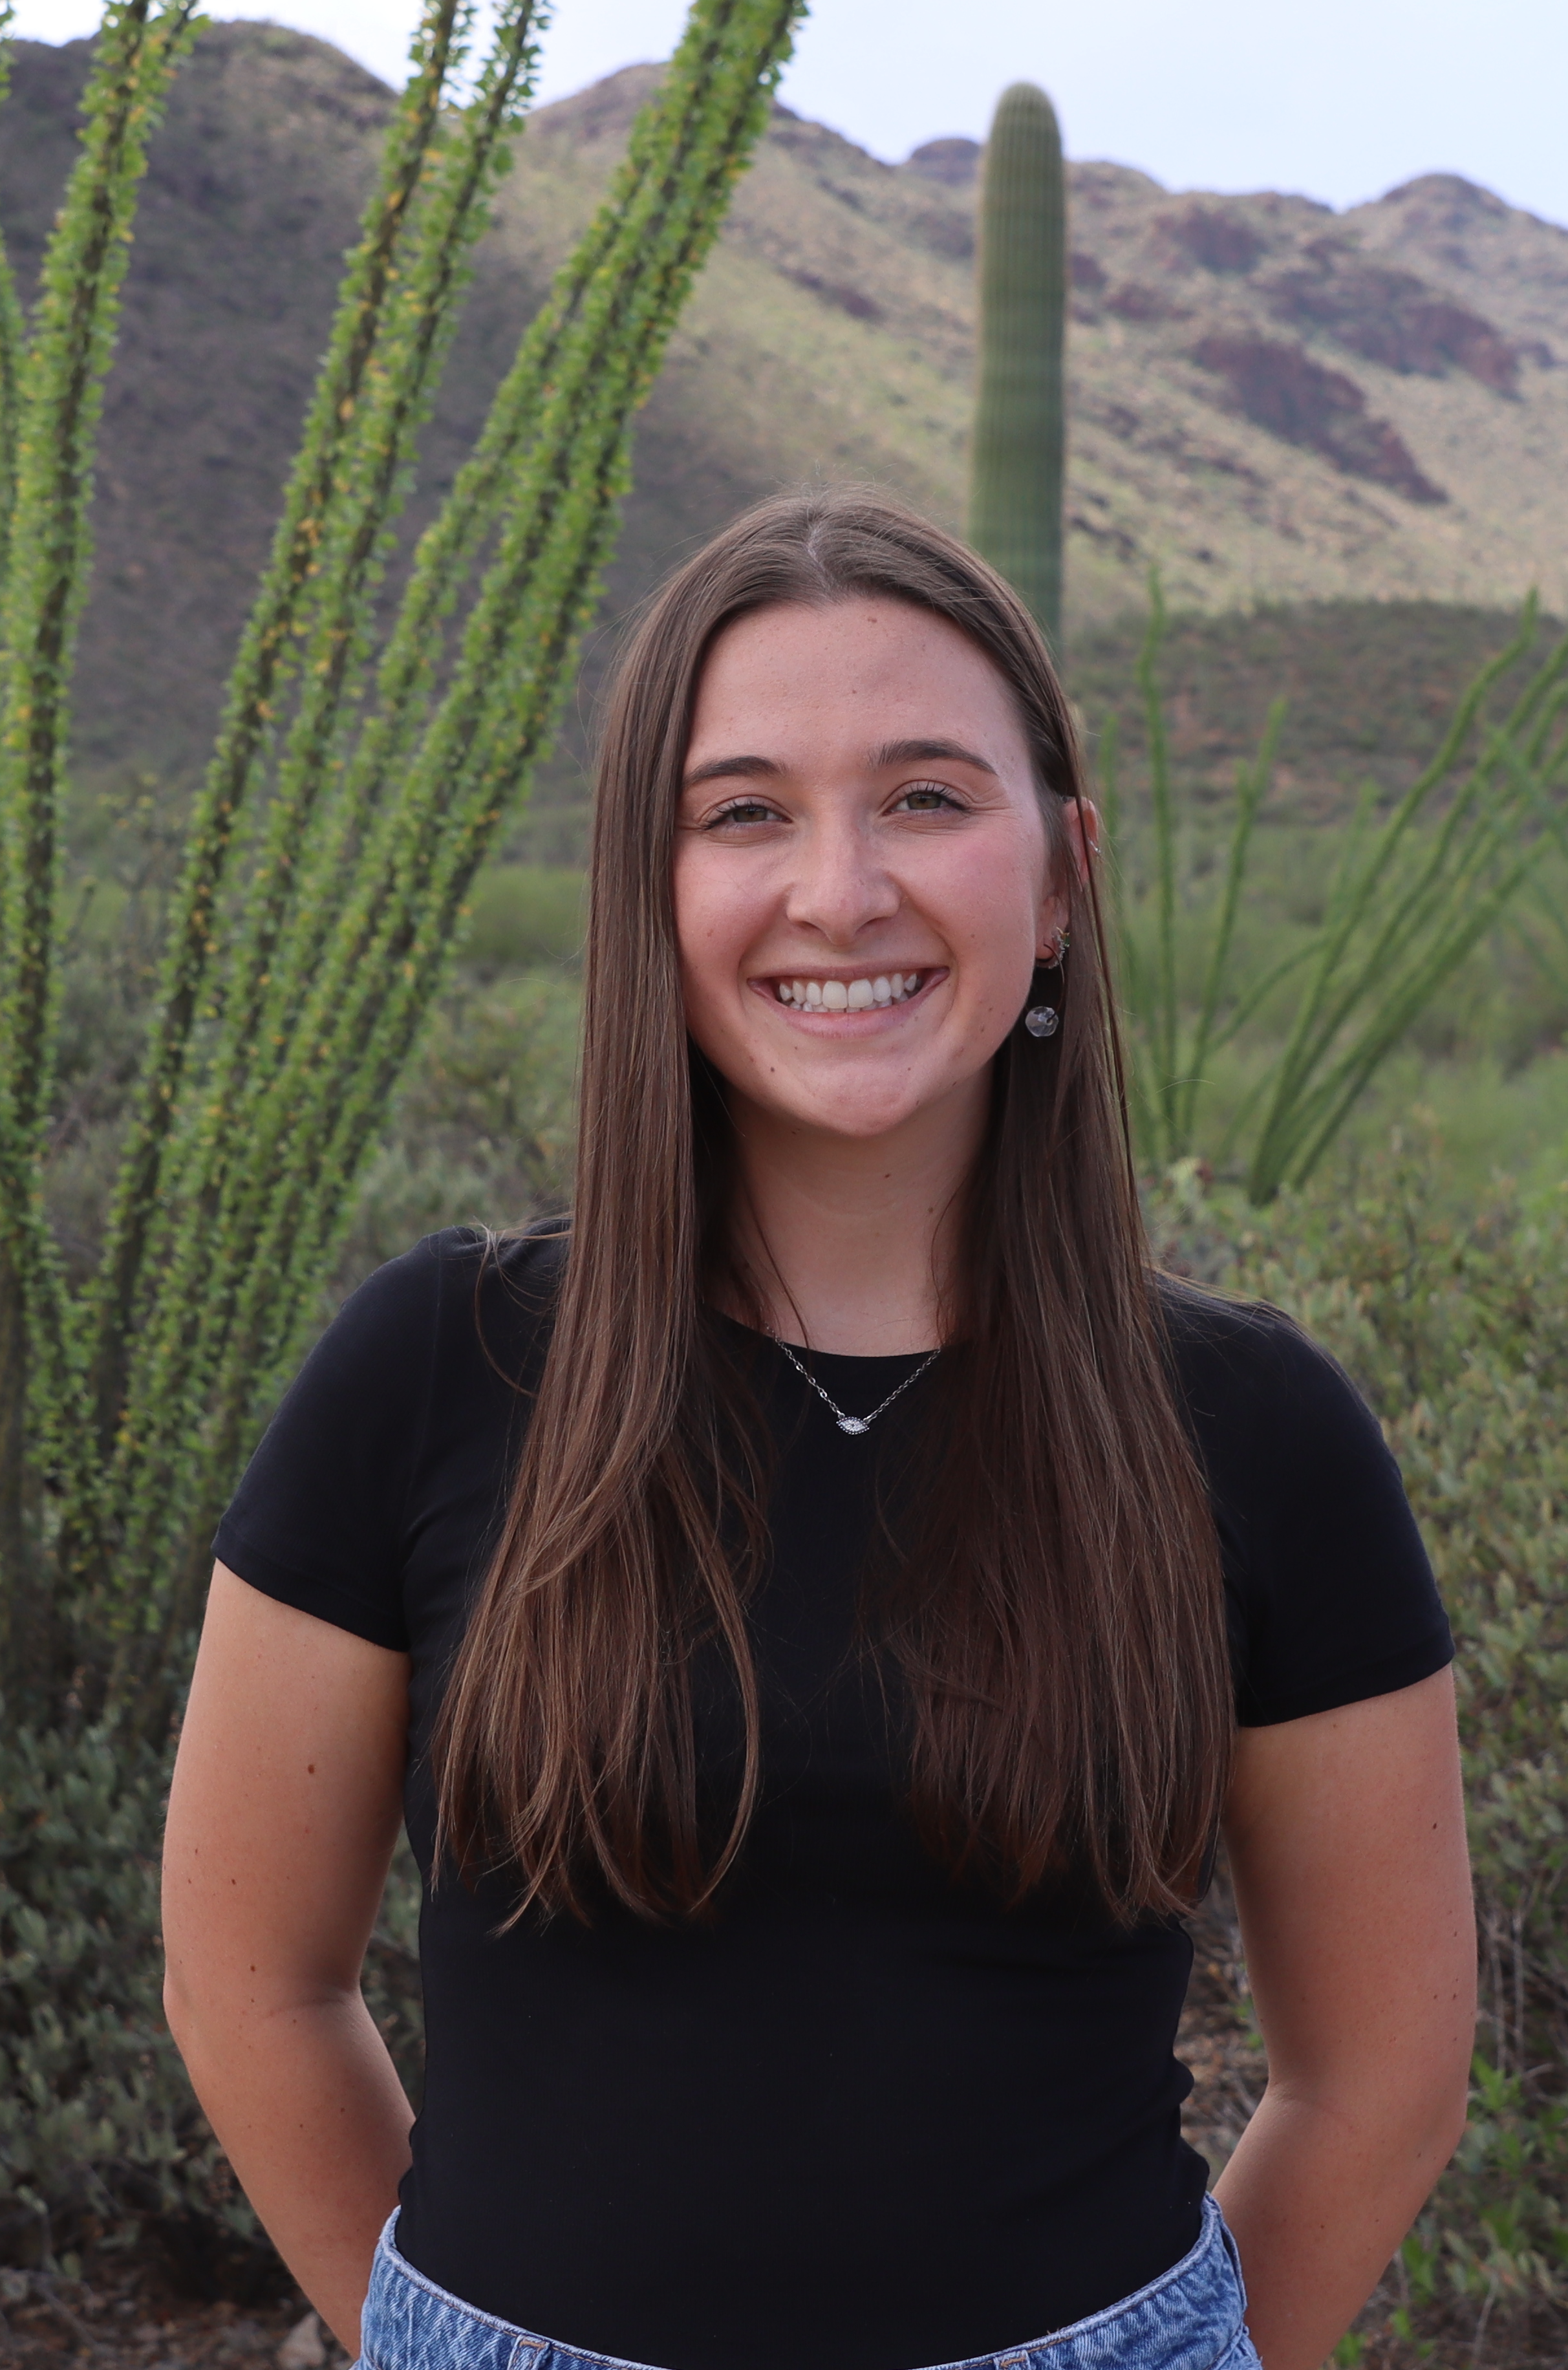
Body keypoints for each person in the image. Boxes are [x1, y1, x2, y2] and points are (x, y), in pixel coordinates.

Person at [162, 491, 1472, 2370]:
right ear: (652, 881)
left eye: (930, 798)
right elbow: (249, 1982)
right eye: (746, 810)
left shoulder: (1258, 1435)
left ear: (1066, 872)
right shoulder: (436, 1370)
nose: (841, 891)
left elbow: (1379, 2077)